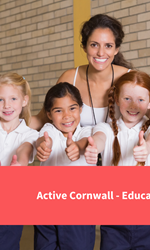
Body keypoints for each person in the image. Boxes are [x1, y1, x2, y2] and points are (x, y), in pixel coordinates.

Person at [30, 14, 150, 131]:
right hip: (78, 156)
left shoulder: (130, 79)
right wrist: (11, 123)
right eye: (94, 45)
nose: (101, 52)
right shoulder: (70, 78)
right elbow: (43, 118)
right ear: (84, 47)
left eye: (108, 46)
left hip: (118, 156)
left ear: (116, 49)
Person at [84, 71, 150, 250]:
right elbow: (99, 138)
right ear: (115, 98)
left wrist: (146, 148)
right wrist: (93, 148)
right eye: (127, 98)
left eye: (140, 100)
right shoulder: (106, 128)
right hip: (115, 221)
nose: (133, 105)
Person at [0, 73, 38, 250]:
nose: (7, 105)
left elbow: (24, 150)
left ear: (24, 100)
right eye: (0, 99)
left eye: (13, 98)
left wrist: (18, 165)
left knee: (4, 245)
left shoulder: (31, 134)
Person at [34, 82, 95, 250]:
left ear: (81, 109)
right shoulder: (49, 129)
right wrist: (43, 145)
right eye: (58, 111)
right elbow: (45, 139)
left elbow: (84, 142)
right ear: (49, 114)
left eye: (72, 108)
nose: (67, 116)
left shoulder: (87, 132)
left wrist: (77, 147)